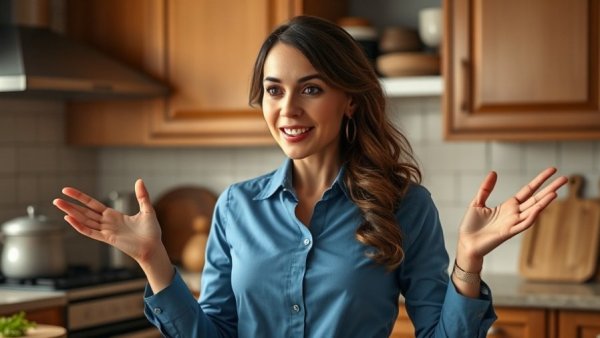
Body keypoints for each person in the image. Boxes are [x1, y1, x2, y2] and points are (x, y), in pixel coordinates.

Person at [53, 15, 567, 338]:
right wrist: (153, 258)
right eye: (274, 91)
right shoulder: (237, 207)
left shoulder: (404, 204)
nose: (288, 109)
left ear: (349, 100)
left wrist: (470, 262)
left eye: (312, 89)